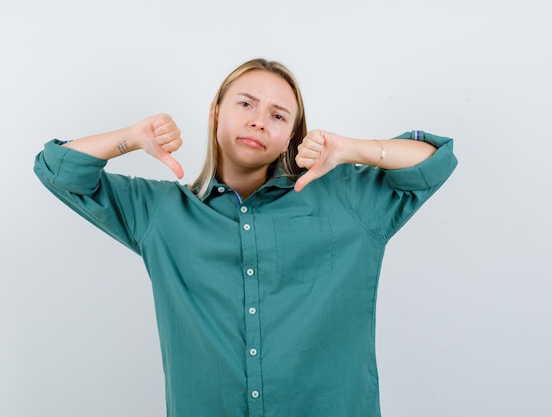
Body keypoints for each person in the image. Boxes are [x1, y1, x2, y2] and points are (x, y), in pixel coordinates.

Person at [34, 58, 458, 417]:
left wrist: (352, 149)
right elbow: (58, 168)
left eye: (278, 115)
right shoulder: (160, 212)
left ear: (291, 137)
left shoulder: (346, 198)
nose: (259, 119)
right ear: (216, 112)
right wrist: (131, 139)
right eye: (246, 104)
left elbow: (436, 160)